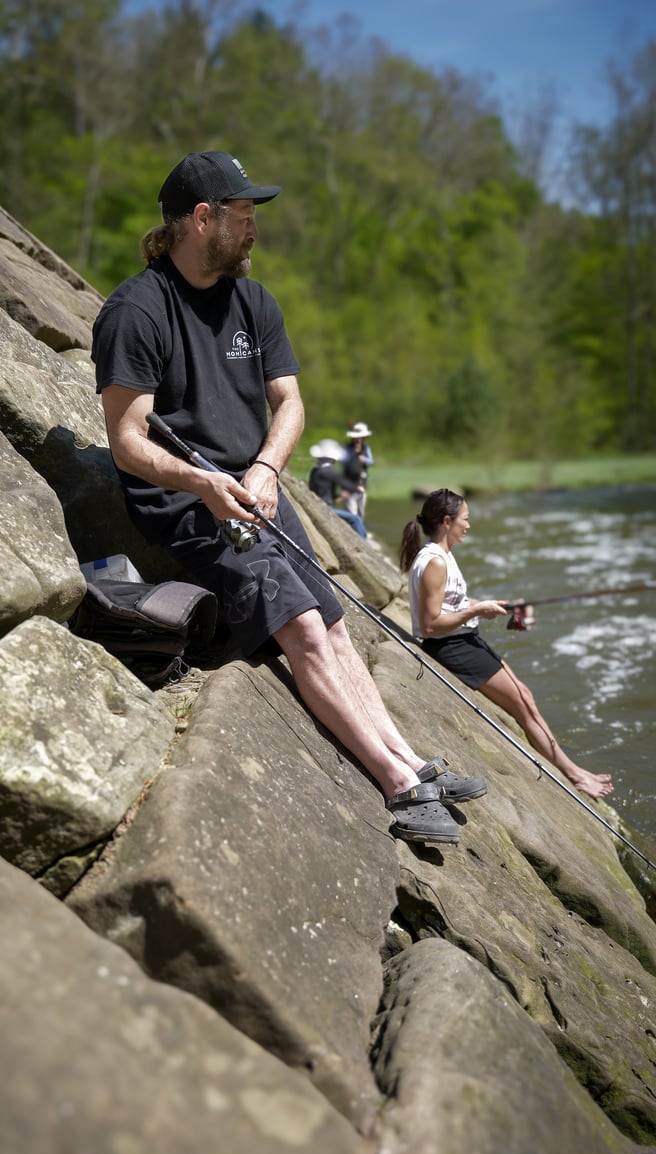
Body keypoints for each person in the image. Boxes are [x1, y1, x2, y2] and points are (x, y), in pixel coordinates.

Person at [92, 149, 487, 845]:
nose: (254, 229)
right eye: (243, 214)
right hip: (184, 508)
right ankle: (398, 787)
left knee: (332, 619)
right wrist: (206, 483)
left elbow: (292, 404)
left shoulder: (255, 302)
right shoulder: (136, 311)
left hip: (258, 492)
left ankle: (412, 759)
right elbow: (126, 441)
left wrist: (267, 467)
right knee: (301, 624)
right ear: (202, 219)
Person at [399, 488, 614, 801]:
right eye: (464, 519)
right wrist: (476, 612)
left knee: (525, 697)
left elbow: (450, 603)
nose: (468, 525)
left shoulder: (439, 556)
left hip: (462, 640)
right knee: (524, 704)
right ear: (447, 521)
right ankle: (574, 774)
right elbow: (430, 625)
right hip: (453, 646)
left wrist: (494, 605)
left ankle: (572, 769)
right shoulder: (435, 562)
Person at [308, 439, 367, 538]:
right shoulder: (328, 471)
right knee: (355, 519)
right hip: (326, 507)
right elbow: (345, 483)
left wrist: (339, 495)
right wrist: (358, 488)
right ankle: (363, 541)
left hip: (319, 504)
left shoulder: (315, 470)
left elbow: (320, 490)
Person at [342, 421, 374, 521]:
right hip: (349, 485)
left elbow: (371, 461)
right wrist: (354, 454)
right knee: (352, 514)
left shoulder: (366, 448)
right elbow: (344, 461)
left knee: (361, 513)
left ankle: (359, 529)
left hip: (362, 484)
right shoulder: (347, 448)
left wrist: (364, 459)